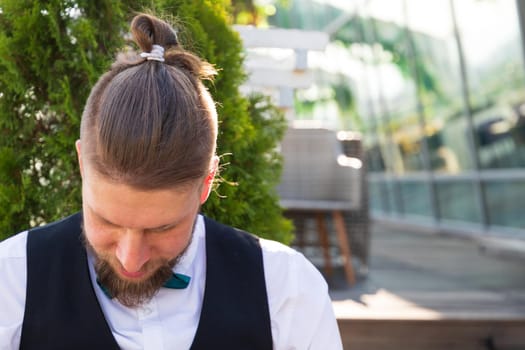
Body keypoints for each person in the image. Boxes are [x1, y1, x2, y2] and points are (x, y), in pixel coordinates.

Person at [0, 13, 343, 350]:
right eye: (107, 221)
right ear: (82, 165)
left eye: (161, 228)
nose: (131, 259)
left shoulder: (287, 288)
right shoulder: (11, 281)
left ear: (207, 182)